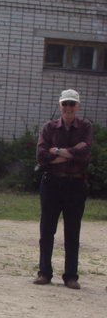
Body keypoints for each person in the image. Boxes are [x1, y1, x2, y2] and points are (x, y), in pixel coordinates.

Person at [34, 89, 93, 290]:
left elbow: (85, 154)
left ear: (78, 106)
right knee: (47, 229)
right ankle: (44, 272)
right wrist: (71, 153)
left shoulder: (85, 127)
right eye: (65, 104)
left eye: (72, 104)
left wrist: (57, 152)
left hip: (76, 184)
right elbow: (41, 155)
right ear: (60, 105)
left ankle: (70, 275)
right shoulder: (49, 128)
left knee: (72, 231)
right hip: (52, 183)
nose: (68, 108)